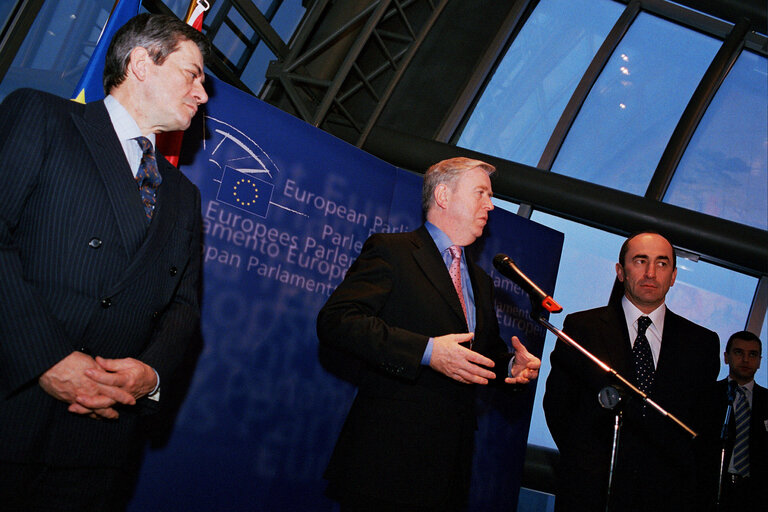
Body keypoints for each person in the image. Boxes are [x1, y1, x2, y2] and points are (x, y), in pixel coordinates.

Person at [0, 13, 209, 511]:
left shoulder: (184, 195)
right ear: (141, 63)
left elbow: (183, 307)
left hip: (98, 447)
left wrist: (150, 376)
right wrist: (44, 359)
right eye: (192, 74)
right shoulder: (42, 116)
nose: (202, 95)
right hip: (12, 405)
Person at [316, 157, 541, 511]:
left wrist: (511, 365)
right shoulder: (393, 252)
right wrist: (427, 351)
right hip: (386, 463)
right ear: (443, 195)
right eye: (481, 193)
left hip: (450, 470)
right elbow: (338, 321)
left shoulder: (480, 280)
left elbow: (480, 354)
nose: (491, 205)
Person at [543, 231, 720, 512]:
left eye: (662, 264)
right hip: (591, 493)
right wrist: (585, 465)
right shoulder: (583, 328)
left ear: (673, 276)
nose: (651, 272)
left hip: (667, 498)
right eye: (640, 261)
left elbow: (703, 425)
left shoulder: (702, 344)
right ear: (620, 271)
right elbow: (558, 406)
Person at [710, 331, 766, 511]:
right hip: (712, 487)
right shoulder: (706, 395)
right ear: (726, 357)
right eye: (739, 352)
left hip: (756, 493)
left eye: (753, 354)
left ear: (759, 360)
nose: (746, 359)